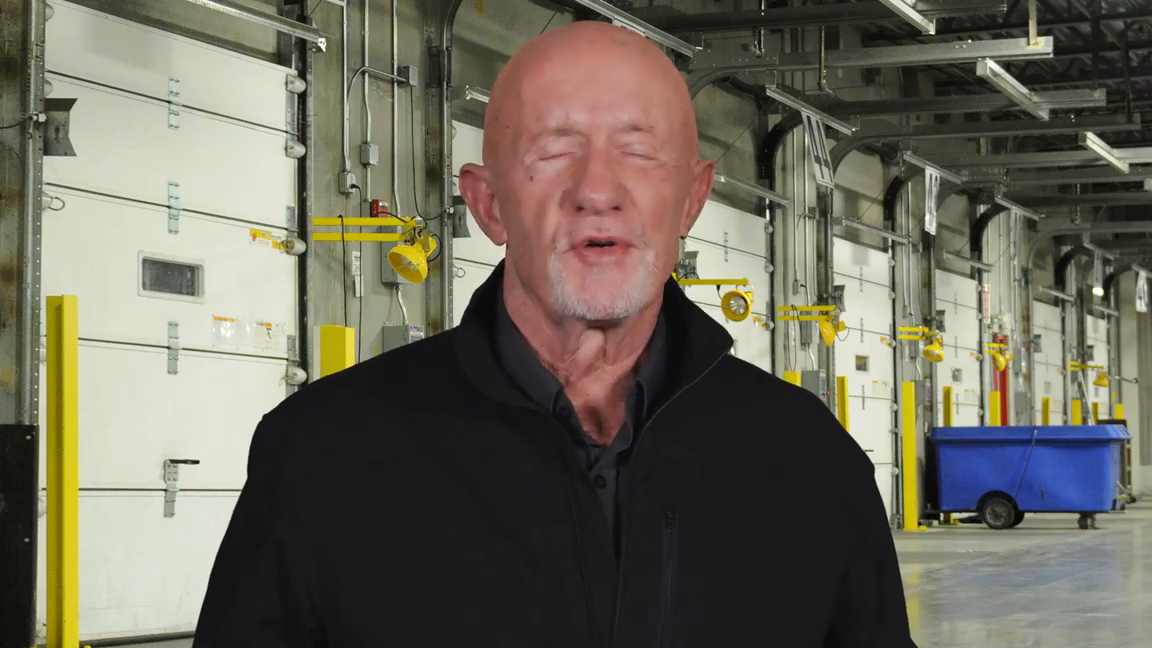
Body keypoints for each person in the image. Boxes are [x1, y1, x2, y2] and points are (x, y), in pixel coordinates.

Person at [194, 20, 917, 648]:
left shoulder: (809, 462)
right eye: (553, 151)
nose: (596, 190)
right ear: (488, 204)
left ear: (692, 199)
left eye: (639, 151)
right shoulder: (324, 456)